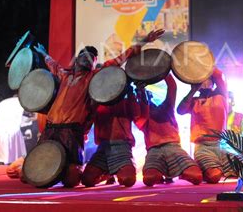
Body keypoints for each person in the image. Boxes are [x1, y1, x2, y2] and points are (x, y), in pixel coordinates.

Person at [29, 29, 164, 188]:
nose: (88, 59)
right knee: (34, 174)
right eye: (85, 56)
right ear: (78, 59)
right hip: (51, 129)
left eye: (92, 58)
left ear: (94, 63)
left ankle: (90, 171)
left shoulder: (95, 76)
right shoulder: (64, 74)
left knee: (72, 180)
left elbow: (123, 57)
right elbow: (53, 65)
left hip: (72, 131)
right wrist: (44, 54)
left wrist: (144, 40)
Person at [135, 74, 202, 187]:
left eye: (146, 94)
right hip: (154, 151)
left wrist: (163, 70)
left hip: (173, 147)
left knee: (197, 177)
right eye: (141, 96)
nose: (145, 97)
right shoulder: (140, 117)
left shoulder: (166, 108)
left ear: (151, 96)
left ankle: (177, 172)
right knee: (149, 179)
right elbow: (143, 110)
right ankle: (163, 172)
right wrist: (140, 93)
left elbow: (172, 87)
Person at [177, 67, 234, 184]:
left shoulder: (222, 96)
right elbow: (180, 110)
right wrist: (193, 90)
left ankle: (205, 169)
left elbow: (219, 75)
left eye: (207, 78)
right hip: (203, 147)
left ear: (213, 81)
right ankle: (202, 170)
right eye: (200, 79)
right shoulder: (193, 100)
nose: (204, 81)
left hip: (221, 146)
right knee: (214, 177)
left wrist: (203, 64)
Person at [81, 86, 140, 188]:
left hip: (122, 146)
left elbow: (138, 116)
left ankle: (119, 170)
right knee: (87, 180)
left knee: (128, 180)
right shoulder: (98, 103)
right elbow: (86, 126)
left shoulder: (125, 101)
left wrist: (131, 92)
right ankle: (109, 173)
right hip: (103, 147)